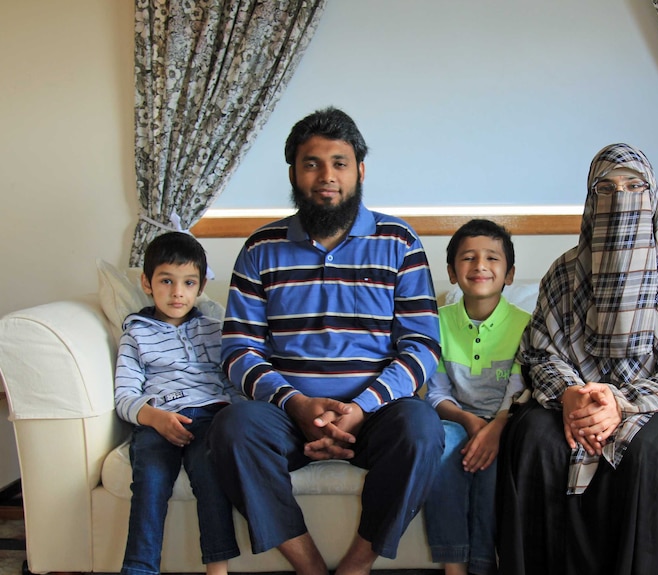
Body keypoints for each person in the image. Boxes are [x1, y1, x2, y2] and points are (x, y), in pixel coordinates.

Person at [496, 143, 658, 575]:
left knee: (648, 452)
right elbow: (542, 352)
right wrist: (570, 396)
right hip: (576, 400)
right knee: (534, 442)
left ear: (653, 195)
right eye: (605, 188)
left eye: (634, 186)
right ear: (589, 201)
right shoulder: (564, 273)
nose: (620, 198)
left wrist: (622, 403)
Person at [208, 106, 444, 575]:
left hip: (376, 414)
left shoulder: (399, 241)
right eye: (311, 163)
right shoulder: (261, 248)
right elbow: (238, 350)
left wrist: (360, 409)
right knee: (232, 429)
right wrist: (296, 404)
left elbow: (421, 346)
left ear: (360, 170)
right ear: (294, 173)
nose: (326, 176)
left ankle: (357, 565)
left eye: (339, 162)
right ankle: (310, 566)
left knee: (422, 431)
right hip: (287, 416)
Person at [114, 231, 242, 575]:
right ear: (147, 282)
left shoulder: (215, 330)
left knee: (212, 476)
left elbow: (232, 383)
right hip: (159, 419)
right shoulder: (136, 333)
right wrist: (155, 418)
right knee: (150, 482)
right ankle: (139, 569)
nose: (177, 292)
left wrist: (233, 415)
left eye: (188, 283)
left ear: (200, 287)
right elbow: (124, 395)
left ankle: (217, 569)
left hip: (211, 418)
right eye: (166, 281)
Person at [423, 219, 531, 575]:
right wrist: (469, 422)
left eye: (492, 258)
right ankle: (453, 565)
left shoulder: (527, 325)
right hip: (455, 418)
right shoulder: (435, 323)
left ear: (510, 274)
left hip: (507, 421)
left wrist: (494, 429)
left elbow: (519, 391)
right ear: (453, 273)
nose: (480, 266)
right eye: (468, 258)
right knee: (443, 449)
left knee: (493, 464)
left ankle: (483, 565)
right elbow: (436, 392)